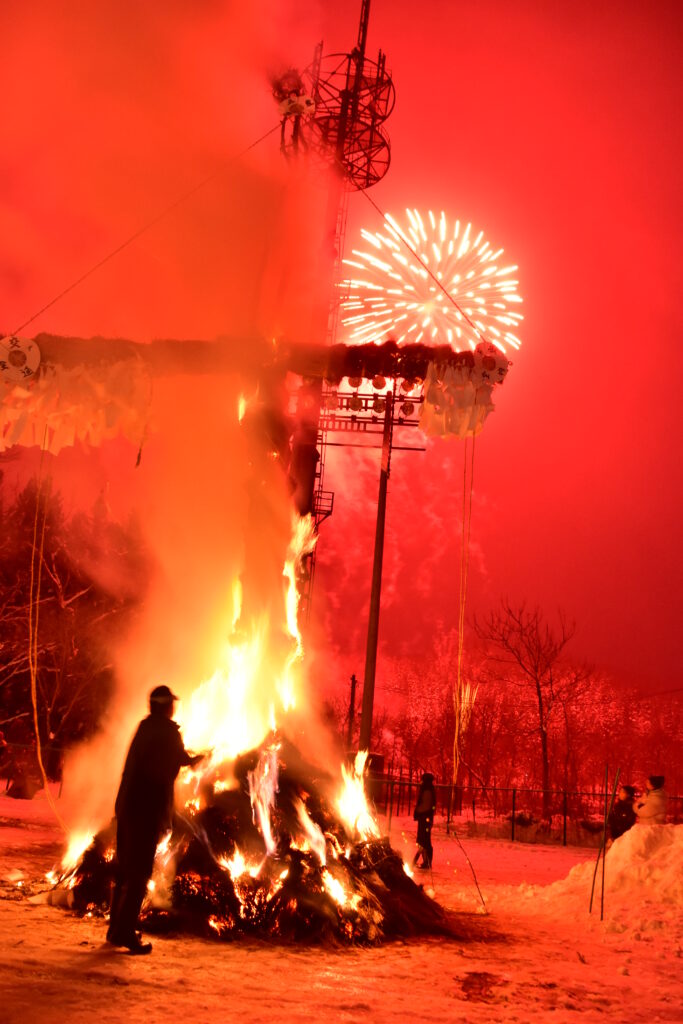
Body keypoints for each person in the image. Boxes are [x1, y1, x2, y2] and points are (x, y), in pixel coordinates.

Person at [107, 685, 203, 954]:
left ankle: (115, 930)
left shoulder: (146, 727)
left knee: (125, 870)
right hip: (144, 812)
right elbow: (171, 762)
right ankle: (125, 932)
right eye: (171, 703)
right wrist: (194, 760)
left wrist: (187, 758)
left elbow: (167, 758)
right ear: (165, 706)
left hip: (127, 807)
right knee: (139, 874)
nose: (174, 707)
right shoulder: (167, 732)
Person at [413, 772, 437, 869]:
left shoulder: (427, 791)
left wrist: (417, 811)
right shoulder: (428, 790)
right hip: (425, 818)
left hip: (425, 819)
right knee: (423, 840)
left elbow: (425, 806)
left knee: (424, 841)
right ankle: (425, 862)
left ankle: (427, 863)